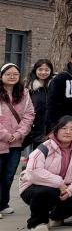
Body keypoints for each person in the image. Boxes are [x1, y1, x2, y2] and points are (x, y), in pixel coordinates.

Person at [19, 116, 72, 231]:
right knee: (45, 192)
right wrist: (59, 183)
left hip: (64, 188)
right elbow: (33, 171)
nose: (68, 132)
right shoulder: (45, 147)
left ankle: (55, 216)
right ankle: (37, 222)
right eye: (64, 128)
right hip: (34, 186)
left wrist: (71, 190)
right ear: (56, 130)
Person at [1, 62, 34, 217]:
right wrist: (7, 135)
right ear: (1, 76)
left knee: (9, 175)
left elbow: (29, 115)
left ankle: (3, 203)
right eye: (8, 74)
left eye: (15, 74)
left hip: (16, 142)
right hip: (1, 140)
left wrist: (19, 133)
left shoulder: (24, 93)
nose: (12, 76)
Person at [25, 59, 53, 149]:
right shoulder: (29, 87)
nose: (43, 72)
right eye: (40, 69)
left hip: (50, 128)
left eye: (46, 70)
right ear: (35, 70)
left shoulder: (54, 86)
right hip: (32, 128)